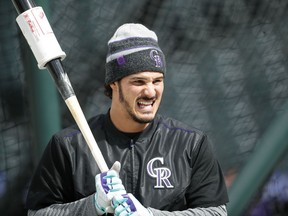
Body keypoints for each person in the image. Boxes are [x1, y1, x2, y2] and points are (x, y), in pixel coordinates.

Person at [25, 23, 229, 216]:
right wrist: (93, 205)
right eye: (138, 81)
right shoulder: (69, 146)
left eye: (157, 81)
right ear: (113, 83)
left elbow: (216, 212)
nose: (150, 91)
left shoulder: (191, 144)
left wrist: (150, 215)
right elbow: (37, 213)